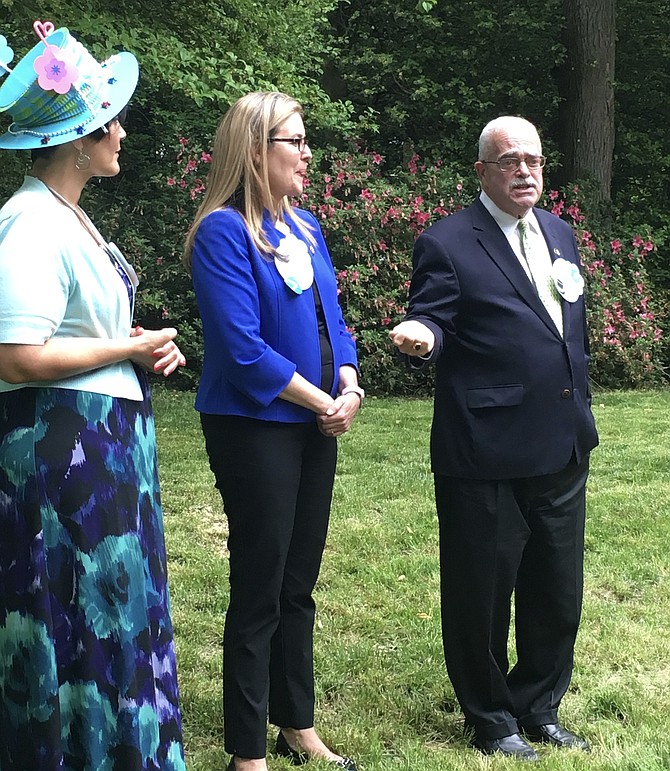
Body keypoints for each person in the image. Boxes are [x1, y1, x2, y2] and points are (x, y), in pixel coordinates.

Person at [0, 20, 187, 770]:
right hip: (61, 462)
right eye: (110, 120)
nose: (122, 132)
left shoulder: (68, 216)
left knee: (106, 618)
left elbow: (72, 329)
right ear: (78, 137)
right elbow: (15, 353)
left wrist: (137, 344)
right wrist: (128, 347)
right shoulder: (30, 223)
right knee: (75, 620)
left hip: (97, 454)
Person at [390, 116, 599, 761]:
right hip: (486, 451)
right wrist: (423, 336)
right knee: (481, 593)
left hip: (561, 443)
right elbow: (433, 314)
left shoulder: (560, 234)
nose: (525, 171)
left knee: (556, 590)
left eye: (534, 160)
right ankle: (490, 716)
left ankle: (539, 705)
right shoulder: (449, 242)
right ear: (482, 171)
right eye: (509, 161)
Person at [183, 91, 362, 771]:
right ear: (256, 150)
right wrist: (323, 399)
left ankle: (298, 724)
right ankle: (246, 750)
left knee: (299, 581)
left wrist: (348, 381)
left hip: (315, 420)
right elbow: (241, 349)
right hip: (254, 425)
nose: (308, 153)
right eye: (296, 141)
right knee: (260, 584)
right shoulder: (223, 232)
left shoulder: (308, 227)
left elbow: (334, 324)